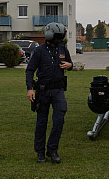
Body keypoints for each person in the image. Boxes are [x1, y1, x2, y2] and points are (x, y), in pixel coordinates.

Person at [25, 22, 73, 164]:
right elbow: (29, 70)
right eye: (57, 37)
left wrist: (70, 65)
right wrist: (29, 88)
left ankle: (52, 150)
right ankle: (40, 152)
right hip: (43, 91)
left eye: (60, 37)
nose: (59, 39)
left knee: (59, 120)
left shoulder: (63, 49)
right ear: (50, 35)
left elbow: (70, 63)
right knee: (41, 122)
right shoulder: (39, 51)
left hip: (58, 90)